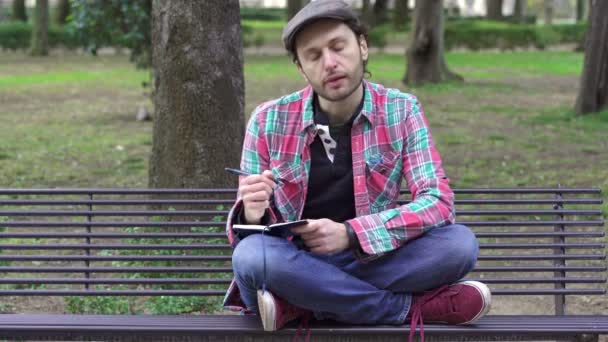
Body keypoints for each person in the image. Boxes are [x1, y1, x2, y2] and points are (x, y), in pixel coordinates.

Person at [224, 0, 491, 339]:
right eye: (314, 55)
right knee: (251, 257)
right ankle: (406, 309)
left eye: (338, 47)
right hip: (292, 264)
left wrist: (351, 234)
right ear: (301, 68)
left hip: (368, 260)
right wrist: (253, 212)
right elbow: (248, 239)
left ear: (362, 47)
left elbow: (439, 202)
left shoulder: (401, 110)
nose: (330, 63)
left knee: (458, 245)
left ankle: (303, 305)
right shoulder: (267, 120)